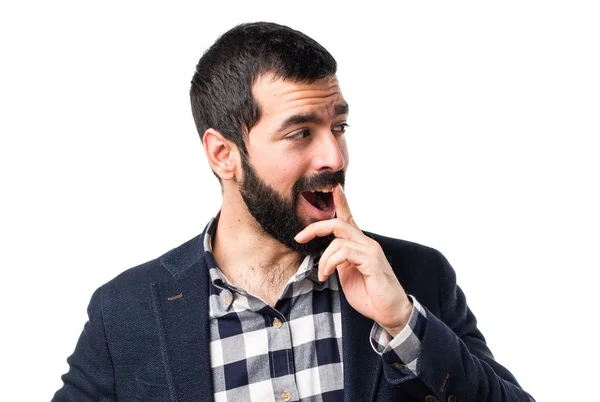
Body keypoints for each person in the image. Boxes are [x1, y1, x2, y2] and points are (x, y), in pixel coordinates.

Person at [53, 22, 534, 402]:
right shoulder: (127, 312)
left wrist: (403, 323)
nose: (334, 158)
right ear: (224, 154)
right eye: (300, 132)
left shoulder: (417, 277)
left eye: (339, 127)